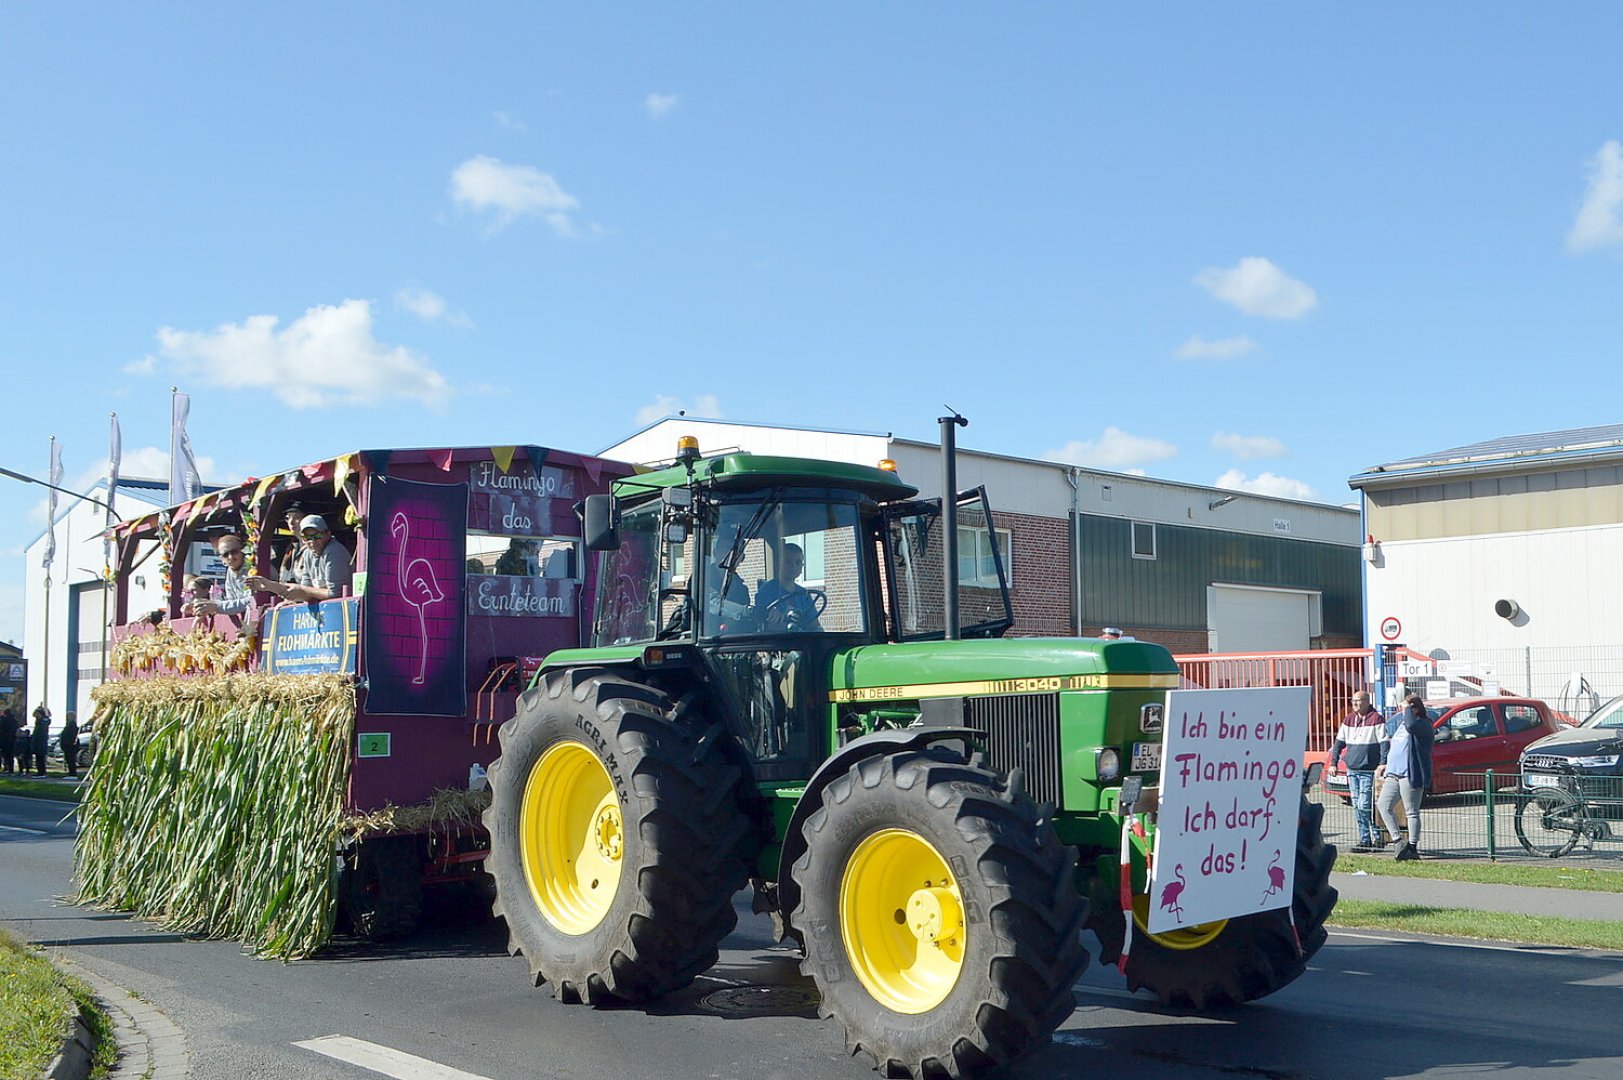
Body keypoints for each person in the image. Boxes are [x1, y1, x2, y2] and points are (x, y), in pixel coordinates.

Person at [1326, 690, 1388, 852]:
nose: (1354, 704)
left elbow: (1384, 744)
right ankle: (1365, 838)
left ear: (1367, 701)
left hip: (1369, 770)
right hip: (1352, 769)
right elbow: (1339, 743)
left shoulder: (1376, 719)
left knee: (1365, 805)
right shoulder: (1348, 719)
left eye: (1358, 701)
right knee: (1356, 805)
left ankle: (1378, 835)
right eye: (1353, 701)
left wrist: (1383, 763)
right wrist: (1333, 762)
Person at [1376, 693, 1435, 861]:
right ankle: (1397, 841)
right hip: (1393, 773)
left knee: (1411, 811)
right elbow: (1396, 745)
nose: (1403, 711)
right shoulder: (1403, 724)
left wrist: (1408, 707)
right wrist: (1386, 764)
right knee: (1383, 805)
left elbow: (1411, 726)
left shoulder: (1423, 725)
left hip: (1410, 773)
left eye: (1407, 708)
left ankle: (1412, 847)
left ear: (1416, 709)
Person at [248, 514, 352, 603]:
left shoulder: (334, 551)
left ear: (327, 534)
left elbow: (335, 593)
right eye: (307, 538)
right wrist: (272, 587)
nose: (312, 542)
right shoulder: (307, 553)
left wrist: (301, 589)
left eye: (317, 536)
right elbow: (306, 590)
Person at [753, 542, 822, 631]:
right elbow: (764, 621)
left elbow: (814, 624)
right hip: (776, 642)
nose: (793, 566)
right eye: (788, 561)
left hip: (802, 641)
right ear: (778, 564)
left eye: (798, 562)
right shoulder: (767, 590)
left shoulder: (804, 594)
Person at [189, 534, 253, 618]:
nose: (231, 557)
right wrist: (204, 607)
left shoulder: (253, 568)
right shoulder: (230, 571)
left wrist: (217, 607)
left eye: (234, 552)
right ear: (221, 559)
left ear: (243, 551)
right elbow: (231, 601)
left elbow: (251, 601)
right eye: (225, 555)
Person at [30, 704, 52, 776]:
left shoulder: (43, 721)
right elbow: (33, 714)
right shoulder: (39, 721)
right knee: (38, 758)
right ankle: (40, 772)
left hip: (41, 742)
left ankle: (41, 772)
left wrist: (43, 710)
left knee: (40, 758)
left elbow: (48, 717)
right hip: (38, 742)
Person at [59, 711, 80, 778]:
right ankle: (71, 773)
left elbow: (70, 736)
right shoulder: (69, 725)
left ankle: (73, 774)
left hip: (70, 746)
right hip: (68, 746)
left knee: (71, 760)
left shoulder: (72, 726)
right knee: (69, 760)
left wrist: (67, 743)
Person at [1, 706, 19, 773]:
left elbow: (2, 729)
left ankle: (6, 768)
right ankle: (11, 769)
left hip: (5, 739)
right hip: (12, 739)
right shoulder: (14, 720)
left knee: (5, 755)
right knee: (10, 755)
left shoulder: (4, 720)